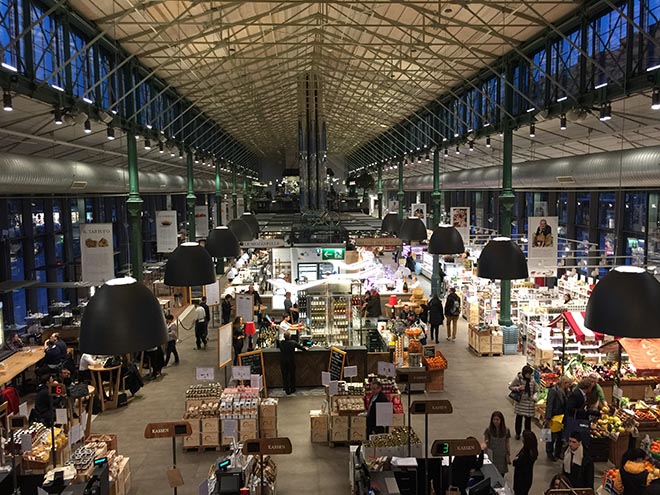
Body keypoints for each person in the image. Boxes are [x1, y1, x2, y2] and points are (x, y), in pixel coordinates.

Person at [545, 375, 572, 461]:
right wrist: (548, 418)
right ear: (564, 383)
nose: (569, 386)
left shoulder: (567, 391)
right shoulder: (553, 391)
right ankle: (549, 453)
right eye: (568, 384)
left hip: (562, 417)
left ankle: (558, 453)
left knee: (560, 437)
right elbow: (549, 405)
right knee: (551, 437)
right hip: (554, 417)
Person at [509, 365, 538, 440]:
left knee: (528, 421)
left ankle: (527, 435)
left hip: (529, 404)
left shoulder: (532, 380)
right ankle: (518, 433)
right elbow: (511, 387)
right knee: (519, 419)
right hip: (520, 403)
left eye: (531, 374)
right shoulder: (518, 379)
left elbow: (536, 390)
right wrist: (518, 388)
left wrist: (535, 396)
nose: (530, 376)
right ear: (524, 373)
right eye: (528, 374)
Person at [564, 378, 594, 444]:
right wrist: (582, 411)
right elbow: (569, 408)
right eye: (591, 387)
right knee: (571, 440)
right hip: (574, 421)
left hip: (578, 420)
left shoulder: (583, 394)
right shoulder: (576, 394)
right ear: (587, 387)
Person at [483, 411, 511, 476]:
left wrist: (508, 454)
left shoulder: (506, 430)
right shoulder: (488, 430)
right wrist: (485, 455)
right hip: (492, 455)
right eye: (494, 419)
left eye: (497, 419)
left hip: (502, 455)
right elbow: (485, 443)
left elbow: (507, 442)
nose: (495, 421)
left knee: (501, 474)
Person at [512, 430, 538, 495]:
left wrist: (516, 460)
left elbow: (515, 463)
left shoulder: (525, 455)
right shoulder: (533, 452)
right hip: (528, 478)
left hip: (521, 480)